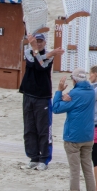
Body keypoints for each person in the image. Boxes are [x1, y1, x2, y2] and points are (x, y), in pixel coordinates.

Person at [19, 33, 64, 170]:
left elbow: (41, 67)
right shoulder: (28, 52)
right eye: (36, 41)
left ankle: (44, 159)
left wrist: (45, 54)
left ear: (45, 43)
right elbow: (33, 62)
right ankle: (33, 157)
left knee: (43, 129)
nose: (38, 43)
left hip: (43, 97)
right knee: (29, 128)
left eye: (40, 41)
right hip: (28, 94)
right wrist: (46, 54)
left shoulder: (48, 56)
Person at [52, 68, 96, 191]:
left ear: (75, 80)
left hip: (73, 136)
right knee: (88, 168)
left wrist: (59, 92)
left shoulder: (75, 93)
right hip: (88, 135)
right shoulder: (92, 92)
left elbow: (56, 108)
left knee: (75, 170)